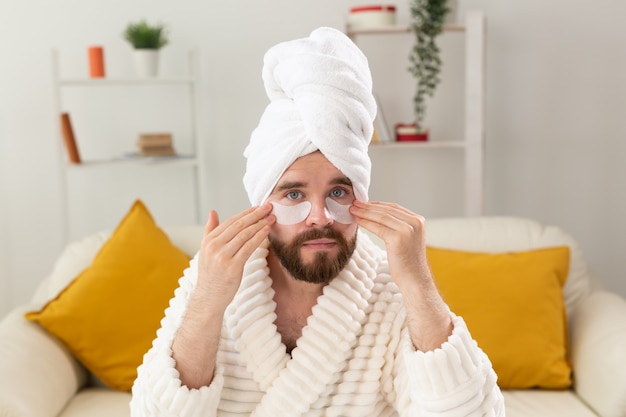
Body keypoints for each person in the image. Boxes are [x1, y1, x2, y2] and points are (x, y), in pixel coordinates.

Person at [130, 27, 504, 416]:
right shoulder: (214, 277)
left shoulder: (391, 291)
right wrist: (208, 302)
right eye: (294, 195)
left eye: (339, 193)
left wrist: (418, 283)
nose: (321, 216)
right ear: (262, 203)